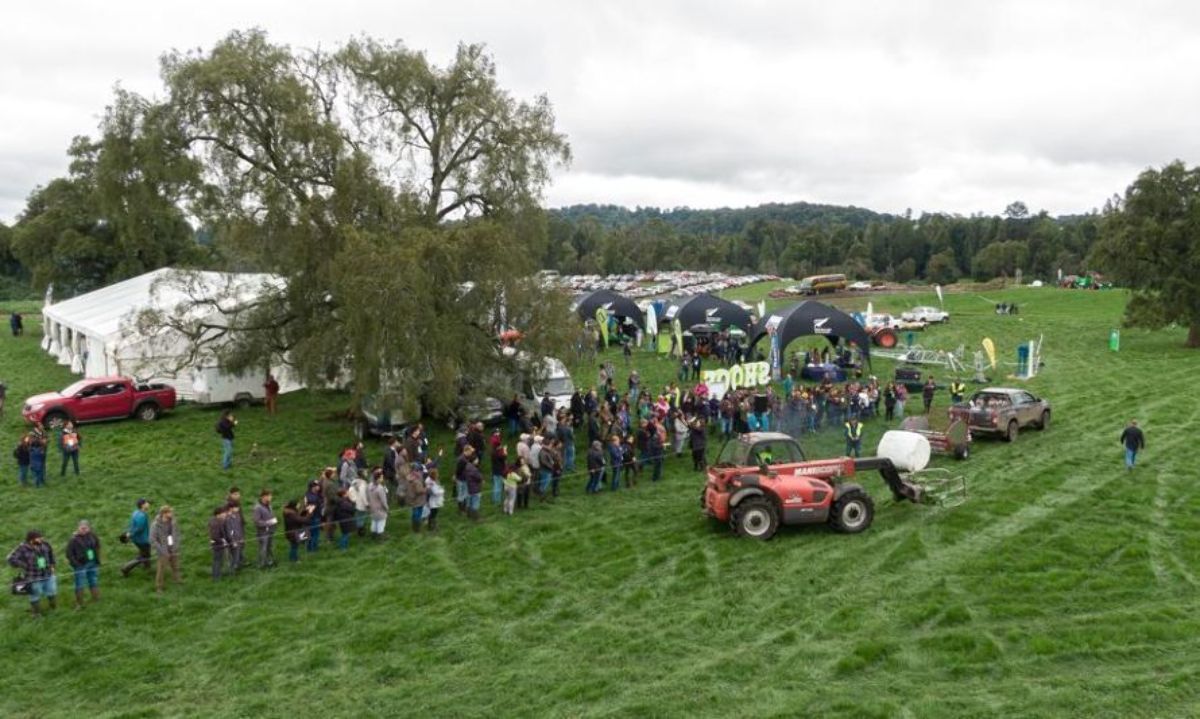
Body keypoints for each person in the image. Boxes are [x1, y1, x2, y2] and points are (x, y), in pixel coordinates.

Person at [7, 529, 56, 618]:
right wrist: (24, 565)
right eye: (39, 538)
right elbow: (10, 558)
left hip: (48, 574)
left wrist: (52, 566)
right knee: (34, 596)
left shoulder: (45, 544)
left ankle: (53, 609)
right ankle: (36, 614)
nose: (41, 539)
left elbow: (51, 554)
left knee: (51, 592)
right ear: (31, 539)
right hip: (33, 577)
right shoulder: (22, 548)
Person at [65, 520, 101, 609]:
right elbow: (69, 554)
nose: (84, 530)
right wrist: (76, 564)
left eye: (86, 528)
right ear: (78, 528)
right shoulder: (73, 539)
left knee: (93, 580)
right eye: (82, 528)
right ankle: (79, 603)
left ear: (89, 528)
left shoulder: (93, 536)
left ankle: (96, 599)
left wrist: (97, 559)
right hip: (80, 565)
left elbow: (97, 545)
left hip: (92, 562)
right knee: (80, 583)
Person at [150, 505, 182, 594]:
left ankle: (177, 580)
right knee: (161, 569)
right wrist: (162, 550)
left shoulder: (173, 522)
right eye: (170, 512)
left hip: (173, 547)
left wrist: (176, 544)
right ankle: (159, 587)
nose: (172, 514)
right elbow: (152, 539)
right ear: (164, 513)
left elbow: (177, 534)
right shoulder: (155, 525)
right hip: (162, 550)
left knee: (175, 566)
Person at [120, 498, 153, 576]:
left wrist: (129, 534)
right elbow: (139, 529)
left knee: (145, 553)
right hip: (143, 540)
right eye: (146, 503)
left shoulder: (136, 512)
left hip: (136, 539)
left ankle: (147, 567)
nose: (148, 504)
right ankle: (126, 568)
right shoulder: (142, 516)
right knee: (144, 556)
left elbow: (132, 525)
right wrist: (130, 534)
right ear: (142, 505)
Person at [253, 489, 277, 568]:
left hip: (270, 530)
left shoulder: (269, 505)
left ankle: (269, 561)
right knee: (263, 548)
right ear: (264, 497)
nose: (271, 497)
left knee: (269, 547)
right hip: (262, 532)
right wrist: (268, 523)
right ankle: (262, 564)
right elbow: (257, 521)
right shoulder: (257, 508)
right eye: (269, 496)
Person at [224, 500, 246, 574]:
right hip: (232, 541)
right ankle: (232, 570)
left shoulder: (237, 515)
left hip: (239, 538)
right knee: (232, 556)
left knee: (238, 554)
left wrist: (242, 537)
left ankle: (237, 567)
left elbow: (240, 527)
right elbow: (228, 531)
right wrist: (233, 541)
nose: (238, 509)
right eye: (236, 507)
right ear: (231, 508)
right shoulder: (227, 519)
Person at [367, 470, 389, 539]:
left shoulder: (369, 485)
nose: (382, 479)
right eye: (381, 477)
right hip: (380, 509)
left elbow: (367, 496)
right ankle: (380, 537)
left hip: (372, 507)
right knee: (381, 523)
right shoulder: (380, 489)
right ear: (378, 478)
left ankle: (373, 535)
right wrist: (387, 508)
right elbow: (383, 501)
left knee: (374, 521)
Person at [208, 506, 229, 581]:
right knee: (217, 561)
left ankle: (218, 574)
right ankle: (216, 577)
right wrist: (222, 540)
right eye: (223, 513)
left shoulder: (218, 521)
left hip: (219, 544)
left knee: (219, 560)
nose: (225, 515)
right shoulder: (214, 523)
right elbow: (215, 536)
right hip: (217, 545)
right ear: (218, 514)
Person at [406, 465, 428, 534]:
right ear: (414, 471)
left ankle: (414, 527)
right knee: (418, 515)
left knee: (414, 514)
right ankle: (417, 529)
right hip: (418, 500)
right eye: (419, 471)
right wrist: (426, 489)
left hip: (412, 499)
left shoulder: (410, 478)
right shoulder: (416, 481)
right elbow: (419, 491)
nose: (420, 473)